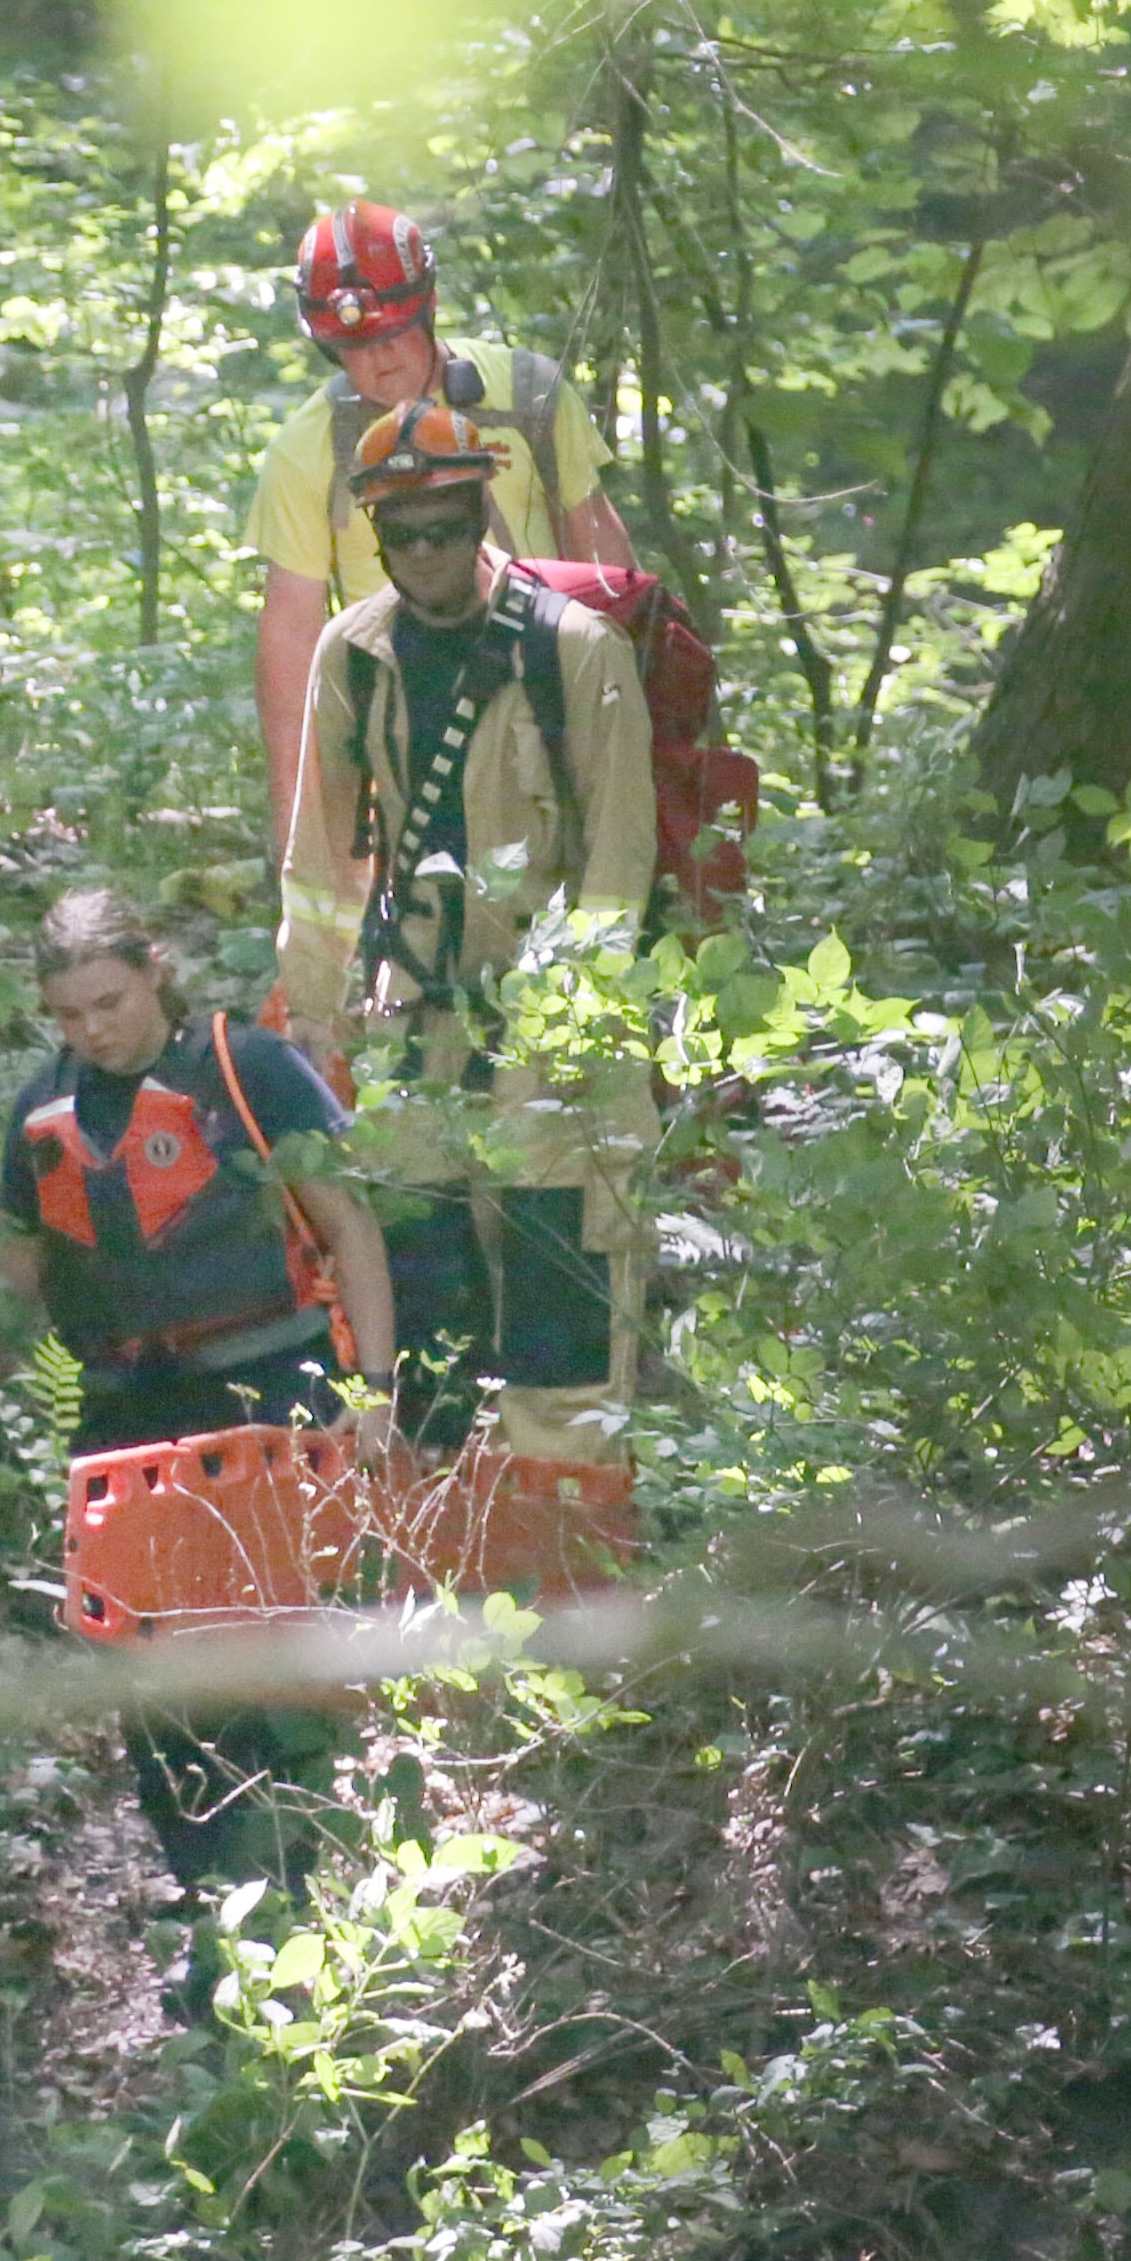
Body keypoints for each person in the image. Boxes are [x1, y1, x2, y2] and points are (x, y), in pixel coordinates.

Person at [0, 889, 400, 1908]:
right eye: (68, 1014)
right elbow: (18, 1273)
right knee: (147, 1675)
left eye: (107, 1001)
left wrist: (374, 1389)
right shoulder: (42, 1112)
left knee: (275, 1654)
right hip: (123, 1410)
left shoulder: (248, 1068)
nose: (92, 1030)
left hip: (264, 1388)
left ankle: (308, 1892)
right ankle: (209, 1902)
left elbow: (350, 1225)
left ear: (156, 967)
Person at [274, 403, 660, 1467]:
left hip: (557, 1008)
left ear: (481, 511)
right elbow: (320, 860)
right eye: (404, 534)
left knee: (557, 1279)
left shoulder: (576, 653)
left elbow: (620, 862)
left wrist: (572, 1025)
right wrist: (313, 1010)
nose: (427, 553)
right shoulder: (353, 657)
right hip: (415, 1008)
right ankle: (440, 1506)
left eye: (446, 527)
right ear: (375, 533)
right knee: (422, 1272)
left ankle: (572, 1513)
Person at [244, 202, 636, 861]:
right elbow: (290, 657)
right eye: (355, 346)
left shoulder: (529, 396)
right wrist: (301, 845)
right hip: (408, 735)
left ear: (425, 306)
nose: (380, 358)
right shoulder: (307, 450)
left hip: (551, 703)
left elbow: (607, 570)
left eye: (395, 331)